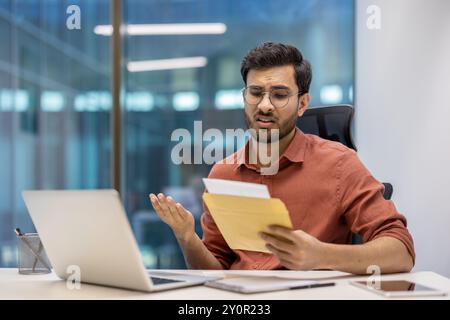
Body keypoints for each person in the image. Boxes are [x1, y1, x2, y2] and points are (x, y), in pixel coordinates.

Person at [149, 42, 415, 274]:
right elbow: (216, 270)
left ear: (302, 104)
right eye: (255, 93)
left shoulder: (339, 164)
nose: (264, 105)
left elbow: (401, 251)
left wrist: (321, 255)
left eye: (279, 95)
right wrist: (187, 237)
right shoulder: (224, 172)